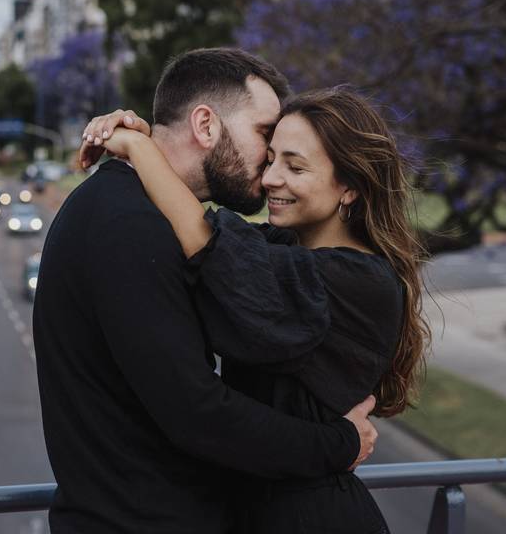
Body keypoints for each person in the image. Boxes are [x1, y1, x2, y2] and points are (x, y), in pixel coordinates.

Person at [33, 49, 379, 534]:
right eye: (264, 136)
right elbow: (199, 414)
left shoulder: (133, 210)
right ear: (206, 125)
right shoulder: (130, 225)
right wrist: (341, 444)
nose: (269, 166)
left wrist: (140, 143)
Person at [81, 86, 430, 532]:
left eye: (295, 166)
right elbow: (212, 244)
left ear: (350, 188)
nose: (269, 180)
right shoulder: (286, 250)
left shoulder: (358, 280)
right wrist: (157, 142)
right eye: (271, 160)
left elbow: (208, 242)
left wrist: (139, 147)